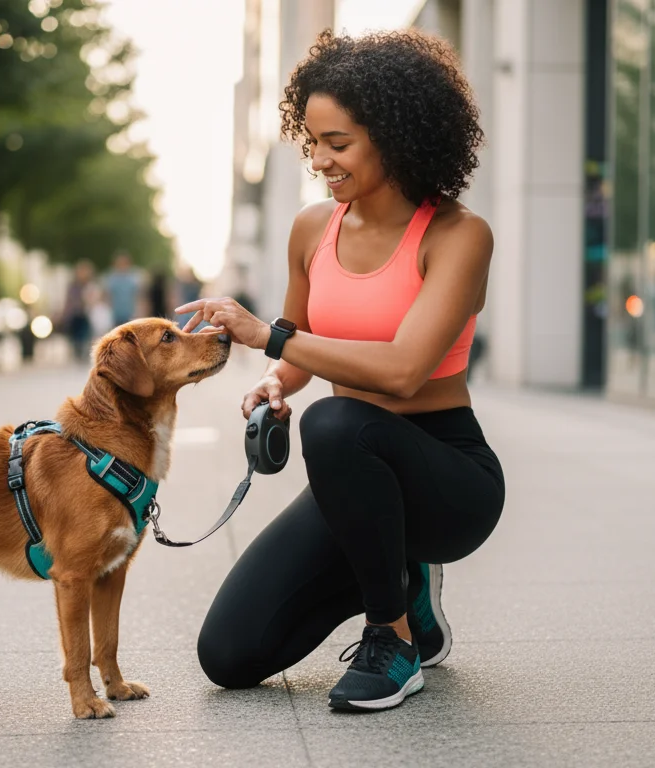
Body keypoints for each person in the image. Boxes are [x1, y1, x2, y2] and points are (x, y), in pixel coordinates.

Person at [177, 29, 504, 713]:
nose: (322, 159)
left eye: (339, 143)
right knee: (230, 655)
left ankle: (394, 638)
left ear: (395, 134)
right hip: (353, 471)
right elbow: (301, 346)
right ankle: (403, 582)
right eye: (313, 141)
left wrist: (267, 340)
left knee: (338, 421)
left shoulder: (456, 235)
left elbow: (404, 371)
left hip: (448, 476)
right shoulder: (311, 228)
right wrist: (276, 382)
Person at [61, 260, 97, 363]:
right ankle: (76, 353)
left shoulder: (91, 285)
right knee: (75, 335)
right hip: (74, 314)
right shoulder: (72, 286)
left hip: (86, 314)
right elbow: (68, 300)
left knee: (85, 334)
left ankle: (84, 353)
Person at [105, 251, 140, 327]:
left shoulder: (133, 279)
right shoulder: (112, 279)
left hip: (130, 313)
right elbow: (108, 295)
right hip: (115, 314)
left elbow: (136, 296)